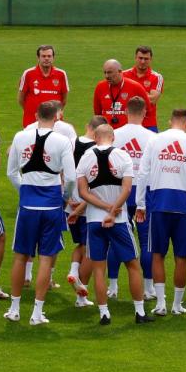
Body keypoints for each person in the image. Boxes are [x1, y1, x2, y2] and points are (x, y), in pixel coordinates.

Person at [5, 101, 76, 325]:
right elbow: (72, 177)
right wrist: (64, 196)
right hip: (52, 205)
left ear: (36, 115)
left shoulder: (20, 137)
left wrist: (24, 189)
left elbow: (11, 172)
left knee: (20, 256)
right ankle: (37, 313)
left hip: (28, 205)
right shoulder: (62, 140)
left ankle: (15, 309)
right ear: (57, 117)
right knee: (46, 259)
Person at [135, 109, 186, 317]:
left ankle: (160, 303)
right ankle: (177, 305)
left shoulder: (155, 140)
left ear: (171, 121)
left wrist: (140, 204)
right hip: (184, 204)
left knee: (157, 254)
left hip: (158, 202)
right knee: (181, 257)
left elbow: (143, 173)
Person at [77, 124, 154, 325]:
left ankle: (104, 313)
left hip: (94, 220)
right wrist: (112, 211)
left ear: (94, 136)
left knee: (99, 268)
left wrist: (104, 207)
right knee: (133, 265)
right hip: (118, 221)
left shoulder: (85, 157)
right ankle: (139, 312)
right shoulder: (123, 156)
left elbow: (83, 193)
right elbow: (127, 189)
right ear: (112, 137)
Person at [109, 99, 155, 299]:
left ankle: (112, 287)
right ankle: (148, 287)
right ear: (145, 112)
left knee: (116, 240)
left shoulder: (114, 135)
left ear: (125, 111)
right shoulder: (153, 138)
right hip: (143, 193)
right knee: (146, 242)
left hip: (120, 192)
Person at [63, 116, 102, 308]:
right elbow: (93, 187)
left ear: (88, 126)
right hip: (86, 207)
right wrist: (79, 210)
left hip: (70, 203)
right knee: (91, 250)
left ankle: (73, 270)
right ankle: (81, 295)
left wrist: (67, 198)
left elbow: (62, 171)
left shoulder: (70, 142)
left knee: (80, 244)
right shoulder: (96, 152)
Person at [18, 45, 69, 127]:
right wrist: (30, 111)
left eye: (49, 56)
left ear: (53, 58)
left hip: (54, 123)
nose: (46, 58)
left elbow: (64, 100)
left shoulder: (61, 74)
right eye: (43, 56)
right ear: (38, 58)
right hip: (32, 122)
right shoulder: (28, 74)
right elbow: (21, 99)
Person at [93, 59, 149, 129]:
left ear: (120, 71)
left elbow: (147, 109)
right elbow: (97, 113)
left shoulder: (135, 87)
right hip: (107, 134)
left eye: (110, 72)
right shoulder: (100, 87)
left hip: (128, 134)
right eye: (105, 73)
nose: (107, 76)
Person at [122, 46, 164, 131]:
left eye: (146, 59)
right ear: (135, 58)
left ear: (150, 59)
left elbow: (152, 100)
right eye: (140, 58)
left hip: (148, 123)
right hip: (126, 122)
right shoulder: (123, 75)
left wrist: (129, 94)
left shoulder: (156, 77)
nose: (142, 61)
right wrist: (145, 94)